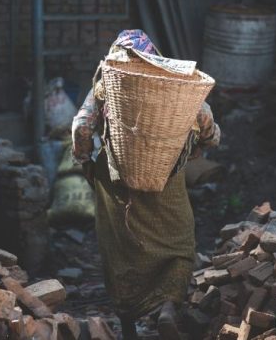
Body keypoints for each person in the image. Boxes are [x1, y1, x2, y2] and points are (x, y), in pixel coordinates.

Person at [72, 30, 220, 340]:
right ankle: (168, 307)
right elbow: (203, 115)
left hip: (116, 180)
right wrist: (205, 142)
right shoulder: (171, 81)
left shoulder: (108, 80)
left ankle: (128, 327)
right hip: (165, 174)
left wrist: (85, 160)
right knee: (178, 244)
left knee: (120, 251)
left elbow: (82, 126)